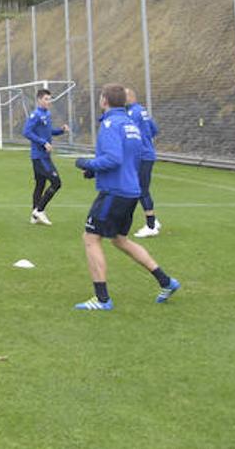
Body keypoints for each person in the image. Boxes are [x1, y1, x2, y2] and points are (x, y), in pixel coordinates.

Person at [72, 83, 180, 310]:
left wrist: (86, 163)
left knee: (91, 238)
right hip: (131, 191)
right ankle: (166, 281)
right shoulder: (130, 124)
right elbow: (135, 155)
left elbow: (113, 159)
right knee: (120, 240)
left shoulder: (111, 124)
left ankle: (102, 299)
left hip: (115, 191)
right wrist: (95, 171)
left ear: (104, 101)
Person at [23, 88, 68, 226]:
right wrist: (43, 143)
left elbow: (48, 132)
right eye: (46, 99)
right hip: (39, 157)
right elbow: (26, 132)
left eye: (50, 99)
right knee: (56, 182)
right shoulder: (35, 115)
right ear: (39, 100)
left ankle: (34, 216)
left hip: (44, 156)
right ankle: (39, 210)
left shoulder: (46, 114)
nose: (49, 102)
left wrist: (61, 130)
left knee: (40, 185)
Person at [126, 88, 162, 237]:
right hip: (147, 154)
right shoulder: (142, 110)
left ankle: (151, 225)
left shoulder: (132, 113)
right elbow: (154, 129)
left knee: (141, 189)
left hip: (141, 156)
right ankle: (154, 220)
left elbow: (129, 134)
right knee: (140, 188)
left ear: (129, 97)